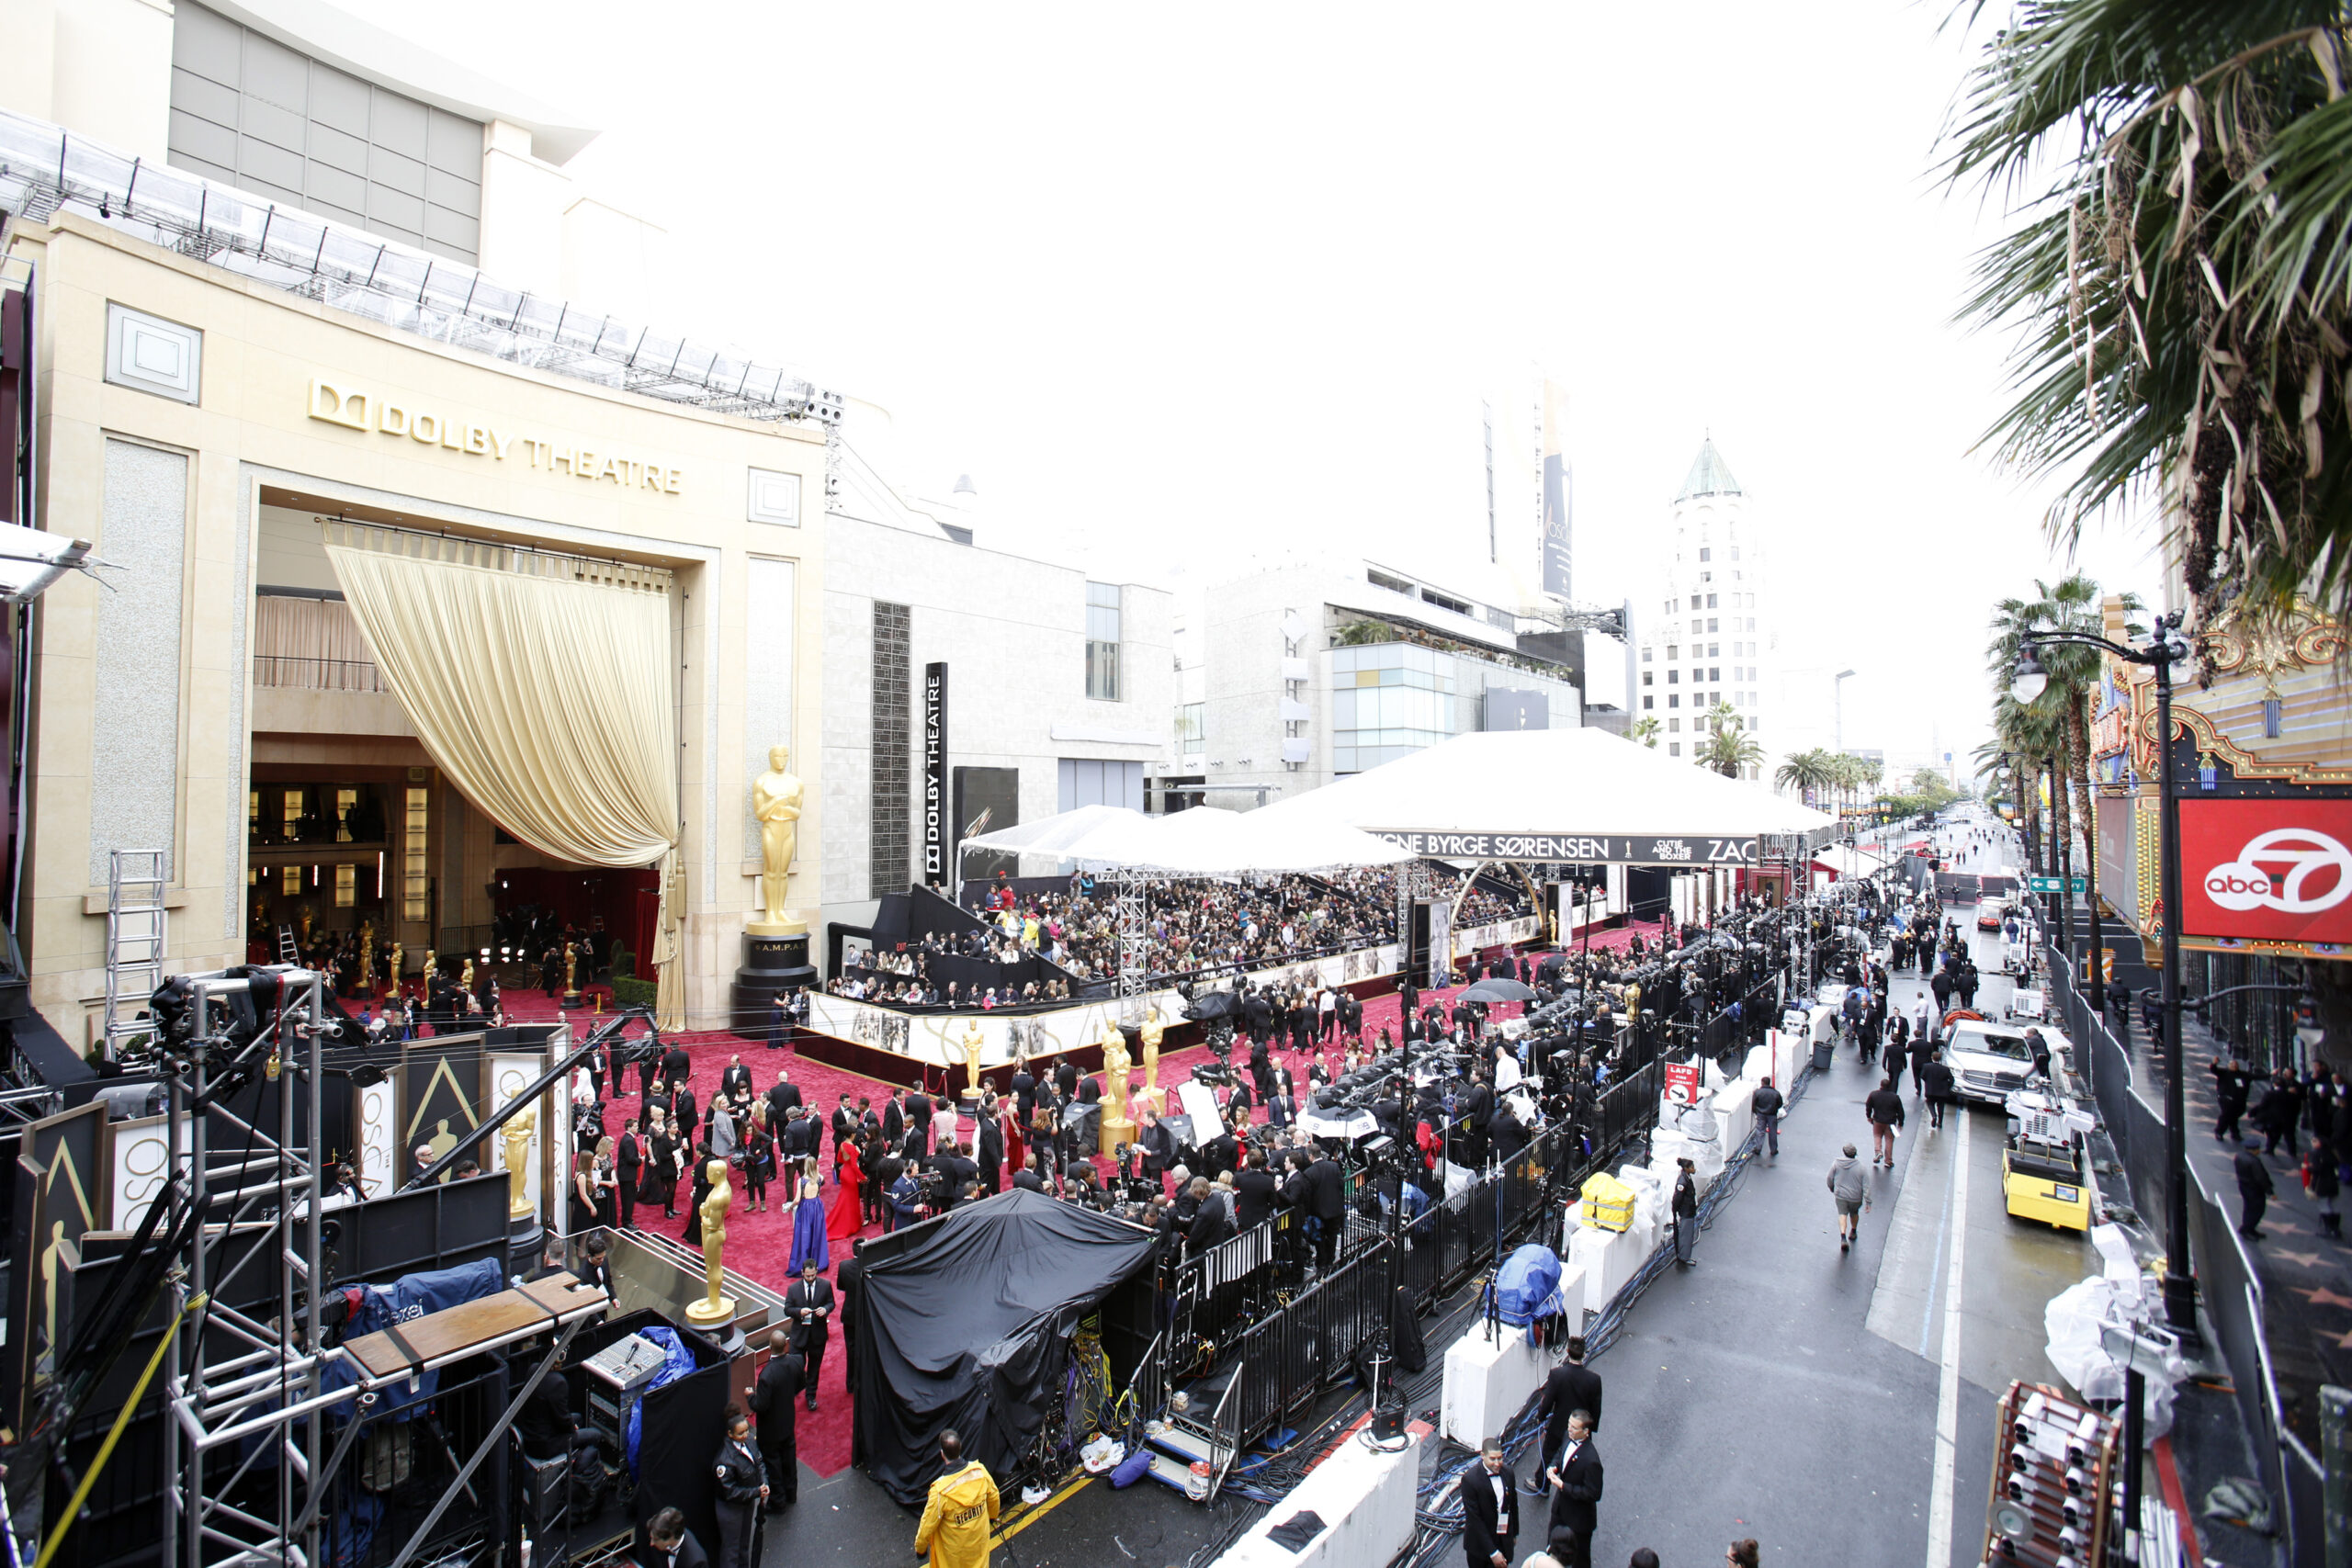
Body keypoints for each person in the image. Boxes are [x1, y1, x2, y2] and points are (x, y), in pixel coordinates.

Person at [913, 1427, 1000, 1568]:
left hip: (954, 1557)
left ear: (942, 1454)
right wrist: (992, 1517)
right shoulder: (980, 1472)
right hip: (978, 1548)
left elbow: (927, 1525)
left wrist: (920, 1549)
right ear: (960, 1447)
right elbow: (994, 1497)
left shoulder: (940, 1492)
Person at [749, 1329, 802, 1510]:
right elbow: (800, 1384)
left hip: (770, 1430)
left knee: (773, 1464)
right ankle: (791, 1494)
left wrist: (750, 1396)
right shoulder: (795, 1363)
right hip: (788, 1422)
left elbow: (760, 1406)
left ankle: (778, 1501)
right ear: (785, 1344)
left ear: (770, 1346)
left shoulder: (766, 1375)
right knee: (789, 1460)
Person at [1544, 1409, 1602, 1568]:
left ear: (1585, 1432)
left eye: (1574, 1427)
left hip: (1579, 1519)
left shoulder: (1591, 1461)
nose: (1569, 1429)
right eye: (1569, 1424)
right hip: (1560, 1509)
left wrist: (1563, 1486)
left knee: (1580, 1559)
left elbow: (1593, 1493)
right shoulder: (1567, 1436)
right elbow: (1560, 1453)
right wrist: (1553, 1466)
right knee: (1552, 1547)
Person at [709, 1406, 766, 1568]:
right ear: (730, 1434)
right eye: (741, 1433)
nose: (746, 1435)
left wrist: (764, 1483)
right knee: (731, 1550)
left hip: (746, 1502)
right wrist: (756, 1491)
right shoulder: (724, 1461)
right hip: (731, 1509)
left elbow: (759, 1462)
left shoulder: (749, 1442)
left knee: (743, 1544)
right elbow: (730, 1492)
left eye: (747, 1430)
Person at [1537, 1337, 1602, 1459]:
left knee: (1548, 1457)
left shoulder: (1557, 1374)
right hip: (1580, 1428)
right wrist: (1590, 1428)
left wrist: (1541, 1417)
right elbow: (1596, 1408)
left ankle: (1541, 1478)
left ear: (1567, 1351)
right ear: (1584, 1354)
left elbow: (1548, 1401)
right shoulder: (1594, 1380)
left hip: (1558, 1427)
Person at [782, 1258, 835, 1409]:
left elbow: (831, 1303)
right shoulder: (793, 1289)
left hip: (817, 1335)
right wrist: (799, 1312)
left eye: (813, 1276)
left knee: (814, 1369)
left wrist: (826, 1310)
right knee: (796, 1368)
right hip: (799, 1336)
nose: (811, 1279)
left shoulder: (825, 1285)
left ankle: (811, 1396)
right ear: (802, 1273)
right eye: (808, 1276)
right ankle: (794, 1391)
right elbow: (787, 1309)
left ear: (816, 1271)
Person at [1460, 1437, 1519, 1568]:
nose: (1497, 1463)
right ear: (1483, 1456)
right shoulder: (1470, 1480)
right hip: (1480, 1546)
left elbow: (1513, 1505)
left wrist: (1514, 1533)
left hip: (1503, 1537)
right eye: (1493, 1459)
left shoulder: (1508, 1473)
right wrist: (1493, 1552)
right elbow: (1475, 1519)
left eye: (1500, 1458)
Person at [786, 1156, 830, 1275]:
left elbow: (797, 1199)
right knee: (817, 1234)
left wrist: (790, 1206)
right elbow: (820, 1177)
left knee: (804, 1236)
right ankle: (818, 1260)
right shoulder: (820, 1178)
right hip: (817, 1207)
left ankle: (804, 1262)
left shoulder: (802, 1181)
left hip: (805, 1208)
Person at [836, 1236, 865, 1397]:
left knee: (851, 1349)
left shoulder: (844, 1266)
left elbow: (840, 1286)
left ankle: (851, 1383)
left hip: (849, 1314)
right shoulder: (870, 1266)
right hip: (866, 1314)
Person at [1829, 1143, 1869, 1253]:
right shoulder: (1861, 1167)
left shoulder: (1837, 1164)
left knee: (1842, 1214)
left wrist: (1832, 1188)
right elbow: (1866, 1185)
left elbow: (1830, 1177)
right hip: (1855, 1197)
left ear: (1844, 1153)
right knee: (1854, 1213)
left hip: (1841, 1195)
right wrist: (1868, 1201)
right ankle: (1854, 1231)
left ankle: (1843, 1237)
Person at [827, 1130, 865, 1243]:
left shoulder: (842, 1144)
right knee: (851, 1200)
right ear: (852, 1135)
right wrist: (862, 1177)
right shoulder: (852, 1148)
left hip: (844, 1172)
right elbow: (854, 1166)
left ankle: (846, 1222)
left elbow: (839, 1159)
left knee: (845, 1198)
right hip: (851, 1175)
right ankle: (850, 1225)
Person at [2235, 1138, 2276, 1239]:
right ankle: (2247, 1230)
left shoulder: (2239, 1156)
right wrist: (2270, 1191)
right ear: (2254, 1150)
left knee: (2248, 1208)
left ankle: (2248, 1228)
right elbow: (2261, 1177)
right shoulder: (2254, 1161)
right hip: (2254, 1189)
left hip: (2244, 1186)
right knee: (2257, 1210)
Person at [644, 1506, 708, 1568]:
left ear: (669, 1539)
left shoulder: (695, 1563)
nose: (651, 1543)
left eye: (655, 1539)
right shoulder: (674, 1531)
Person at [741, 1103, 775, 1214]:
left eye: (751, 1130)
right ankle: (752, 1202)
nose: (749, 1132)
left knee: (760, 1182)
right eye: (747, 1131)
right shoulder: (741, 1136)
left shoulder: (758, 1133)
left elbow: (770, 1139)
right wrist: (742, 1154)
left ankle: (763, 1202)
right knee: (750, 1182)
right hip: (749, 1161)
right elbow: (738, 1147)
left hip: (761, 1160)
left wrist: (761, 1149)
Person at [2305, 1136, 2342, 1239]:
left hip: (2321, 1184)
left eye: (2314, 1140)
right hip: (2333, 1183)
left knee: (2324, 1205)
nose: (2312, 1142)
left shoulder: (2316, 1153)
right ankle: (2336, 1229)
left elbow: (2317, 1168)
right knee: (2334, 1205)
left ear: (2320, 1143)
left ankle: (2327, 1229)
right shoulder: (2331, 1153)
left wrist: (2307, 1168)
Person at [1865, 1076, 1905, 1168]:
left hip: (1877, 1121)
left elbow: (1868, 1106)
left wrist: (1869, 1116)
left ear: (1881, 1085)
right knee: (1889, 1140)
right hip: (1891, 1123)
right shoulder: (1895, 1097)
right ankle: (1888, 1161)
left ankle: (1878, 1152)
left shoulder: (1874, 1094)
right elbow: (1900, 1111)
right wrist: (1901, 1123)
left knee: (1877, 1136)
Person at [1670, 1157, 1699, 1267]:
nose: (1694, 1169)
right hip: (1686, 1211)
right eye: (1691, 1167)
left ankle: (1684, 1255)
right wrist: (1675, 1209)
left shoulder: (1686, 1178)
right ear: (1686, 1168)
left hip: (1689, 1211)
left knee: (1687, 1234)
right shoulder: (1683, 1181)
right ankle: (1684, 1256)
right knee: (1685, 1235)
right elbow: (1678, 1197)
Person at [1919, 1054, 1955, 1130]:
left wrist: (1928, 1082)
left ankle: (1934, 1115)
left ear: (1932, 1058)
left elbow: (1922, 1076)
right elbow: (1952, 1080)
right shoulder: (1945, 1069)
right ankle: (1940, 1122)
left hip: (1931, 1090)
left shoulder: (1926, 1066)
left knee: (1930, 1103)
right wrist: (1947, 1087)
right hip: (1942, 1092)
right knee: (1941, 1107)